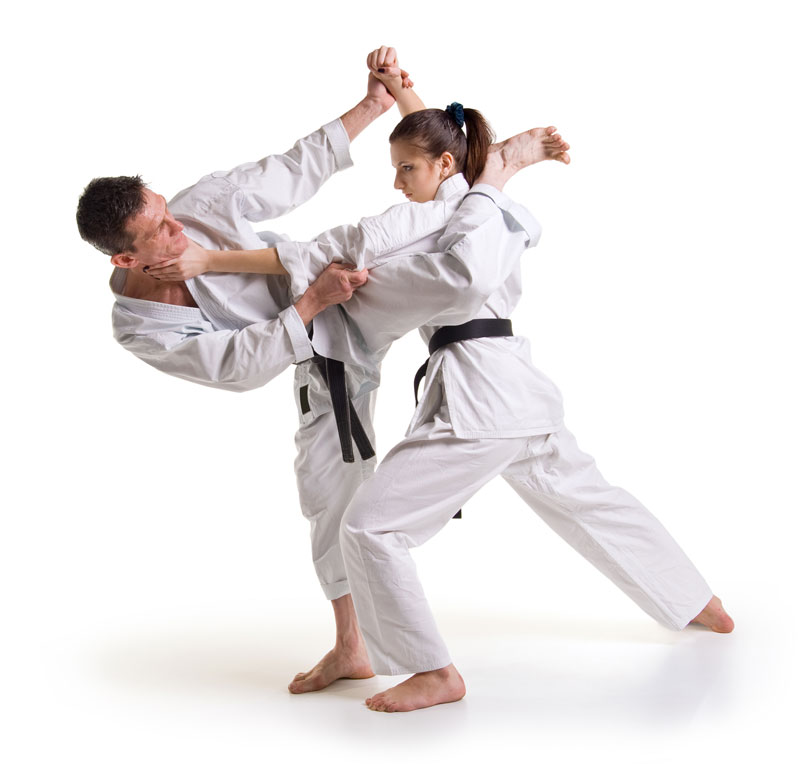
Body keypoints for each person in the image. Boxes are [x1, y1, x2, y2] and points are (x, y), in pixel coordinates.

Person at [156, 59, 733, 712]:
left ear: (447, 170)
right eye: (396, 169)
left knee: (368, 528)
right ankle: (697, 600)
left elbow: (329, 250)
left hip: (478, 404)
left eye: (405, 171)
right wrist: (408, 97)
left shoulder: (424, 234)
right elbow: (440, 153)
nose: (398, 183)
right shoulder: (463, 209)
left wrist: (208, 260)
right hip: (522, 390)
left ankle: (431, 670)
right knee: (587, 497)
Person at [77, 47, 560, 695]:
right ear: (121, 257)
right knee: (329, 489)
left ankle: (496, 170)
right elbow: (236, 367)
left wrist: (374, 104)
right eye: (159, 233)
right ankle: (352, 648)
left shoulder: (199, 208)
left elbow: (289, 169)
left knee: (411, 231)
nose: (177, 229)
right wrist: (309, 303)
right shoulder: (139, 324)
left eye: (167, 212)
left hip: (354, 286)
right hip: (317, 337)